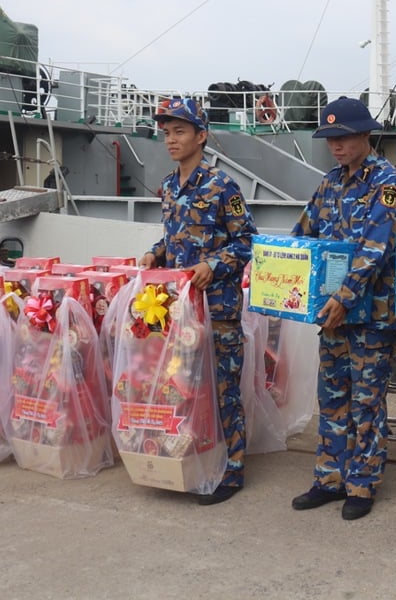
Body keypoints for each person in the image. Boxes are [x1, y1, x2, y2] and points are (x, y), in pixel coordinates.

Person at [289, 96, 396, 521]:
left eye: (343, 138)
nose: (335, 146)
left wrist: (344, 297)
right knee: (333, 396)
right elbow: (302, 233)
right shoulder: (330, 183)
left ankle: (362, 482)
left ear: (364, 135)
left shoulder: (386, 181)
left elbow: (375, 247)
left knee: (367, 401)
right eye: (330, 139)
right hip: (332, 315)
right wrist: (274, 271)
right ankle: (328, 478)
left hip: (370, 314)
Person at [138, 96, 257, 506]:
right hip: (180, 311)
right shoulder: (168, 187)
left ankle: (233, 469)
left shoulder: (223, 186)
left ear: (201, 136)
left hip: (218, 308)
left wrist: (214, 263)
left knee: (224, 389)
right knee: (185, 387)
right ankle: (189, 457)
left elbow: (246, 241)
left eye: (180, 132)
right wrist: (156, 252)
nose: (171, 140)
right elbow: (175, 239)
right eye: (167, 133)